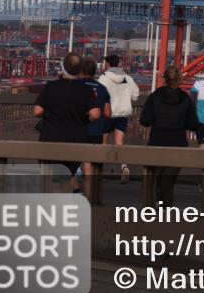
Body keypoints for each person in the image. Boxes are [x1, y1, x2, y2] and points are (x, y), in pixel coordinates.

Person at [34, 53, 101, 190]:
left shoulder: (51, 87)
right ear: (80, 69)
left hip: (50, 138)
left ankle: (54, 207)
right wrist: (85, 118)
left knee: (52, 179)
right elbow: (95, 114)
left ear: (63, 67)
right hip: (76, 140)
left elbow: (37, 111)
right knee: (67, 176)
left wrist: (51, 114)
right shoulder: (86, 90)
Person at [139, 65, 198, 205]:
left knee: (153, 179)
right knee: (168, 182)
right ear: (179, 79)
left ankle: (151, 212)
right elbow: (193, 124)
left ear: (164, 78)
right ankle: (166, 212)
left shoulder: (155, 96)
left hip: (157, 142)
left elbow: (145, 121)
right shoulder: (185, 98)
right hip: (178, 144)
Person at [98, 54, 140, 183]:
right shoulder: (128, 78)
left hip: (108, 114)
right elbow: (135, 96)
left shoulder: (103, 78)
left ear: (108, 64)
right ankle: (124, 166)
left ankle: (98, 171)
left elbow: (99, 96)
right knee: (119, 143)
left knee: (103, 144)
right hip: (122, 114)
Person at [80, 57, 112, 188]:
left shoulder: (76, 86)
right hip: (96, 131)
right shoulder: (102, 89)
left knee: (68, 164)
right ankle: (89, 199)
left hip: (77, 129)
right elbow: (108, 113)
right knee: (90, 168)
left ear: (81, 71)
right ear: (95, 72)